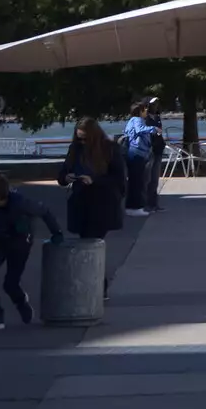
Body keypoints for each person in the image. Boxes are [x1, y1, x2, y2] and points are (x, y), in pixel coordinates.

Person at [0, 171, 63, 331]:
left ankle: (21, 301)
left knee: (10, 283)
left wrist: (56, 232)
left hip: (20, 243)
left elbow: (45, 211)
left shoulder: (21, 203)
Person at [57, 117, 127, 301]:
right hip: (81, 203)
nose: (82, 142)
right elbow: (62, 175)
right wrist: (68, 177)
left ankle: (98, 287)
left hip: (102, 204)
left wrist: (94, 180)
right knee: (87, 244)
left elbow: (119, 179)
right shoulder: (75, 149)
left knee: (92, 243)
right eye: (79, 138)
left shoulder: (110, 149)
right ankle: (95, 286)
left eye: (85, 139)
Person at [122, 102, 157, 217]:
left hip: (134, 153)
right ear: (140, 111)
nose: (146, 111)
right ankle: (136, 207)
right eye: (144, 110)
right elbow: (139, 130)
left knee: (134, 181)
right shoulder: (137, 120)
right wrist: (154, 128)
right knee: (137, 181)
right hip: (137, 153)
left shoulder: (132, 120)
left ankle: (131, 206)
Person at [144, 99, 166, 213]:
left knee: (155, 179)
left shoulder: (157, 118)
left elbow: (159, 132)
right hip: (149, 150)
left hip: (158, 150)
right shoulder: (144, 119)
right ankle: (147, 204)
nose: (156, 106)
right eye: (153, 104)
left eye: (157, 104)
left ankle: (154, 203)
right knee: (148, 178)